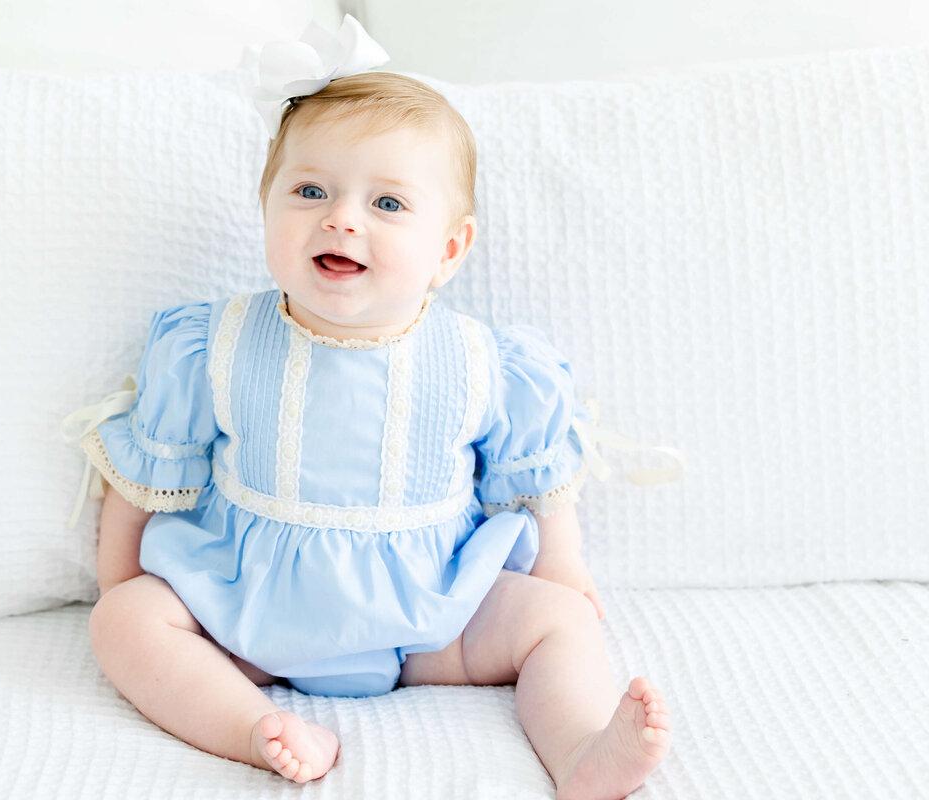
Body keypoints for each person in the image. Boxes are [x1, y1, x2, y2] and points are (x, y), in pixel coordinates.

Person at [70, 16, 677, 798]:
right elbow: (148, 474)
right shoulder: (212, 346)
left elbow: (537, 477)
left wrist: (561, 563)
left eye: (388, 204)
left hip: (434, 618)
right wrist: (120, 582)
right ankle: (256, 729)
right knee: (123, 626)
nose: (342, 217)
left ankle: (582, 750)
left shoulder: (483, 363)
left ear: (449, 250)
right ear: (267, 209)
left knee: (562, 622)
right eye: (310, 190)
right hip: (250, 615)